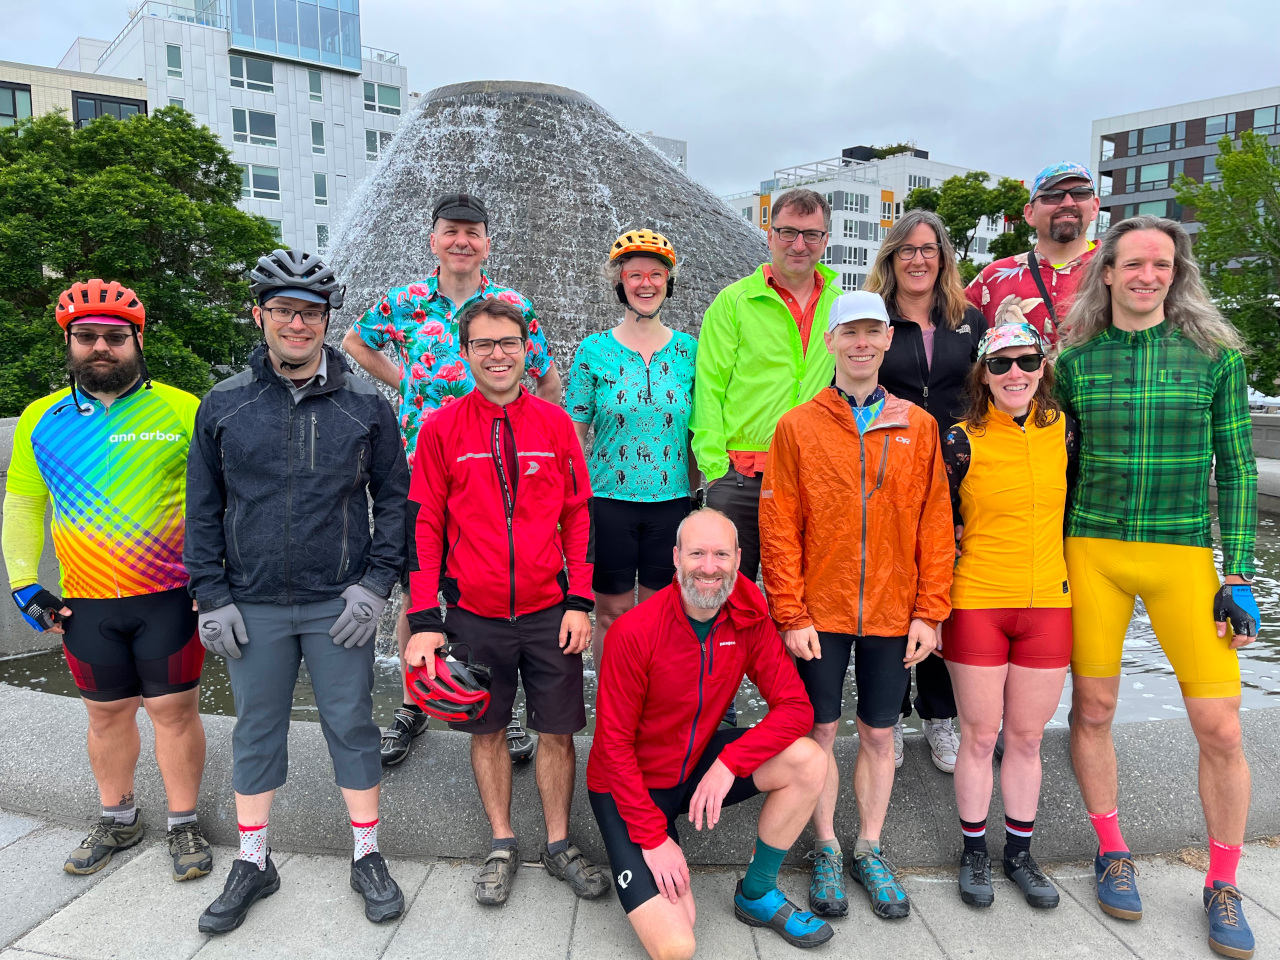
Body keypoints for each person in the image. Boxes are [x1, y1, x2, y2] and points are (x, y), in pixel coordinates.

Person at [187, 250, 410, 933]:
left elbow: (395, 501)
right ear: (260, 314)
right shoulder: (224, 403)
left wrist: (377, 587)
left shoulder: (366, 404)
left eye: (310, 313)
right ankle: (254, 860)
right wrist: (211, 594)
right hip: (251, 602)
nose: (297, 323)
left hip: (337, 602)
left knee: (352, 724)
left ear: (324, 322)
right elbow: (202, 507)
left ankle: (366, 854)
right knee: (257, 729)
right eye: (284, 310)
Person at [1057, 216, 1259, 960]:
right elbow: (1054, 465)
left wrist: (1236, 570)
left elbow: (1236, 469)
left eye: (1163, 265)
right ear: (1106, 271)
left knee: (1223, 725)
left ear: (1177, 275)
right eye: (1134, 263)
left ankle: (1225, 881)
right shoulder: (1074, 361)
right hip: (1094, 548)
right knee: (1095, 707)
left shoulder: (1214, 357)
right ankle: (1113, 849)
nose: (1149, 275)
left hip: (1181, 554)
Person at [403, 297, 609, 907]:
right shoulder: (442, 428)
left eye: (509, 344)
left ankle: (558, 843)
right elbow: (423, 526)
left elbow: (580, 517)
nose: (498, 355)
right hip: (473, 612)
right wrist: (423, 620)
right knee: (487, 730)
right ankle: (500, 842)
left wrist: (579, 601)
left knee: (558, 732)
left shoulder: (554, 425)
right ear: (465, 354)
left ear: (527, 351)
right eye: (485, 345)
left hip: (550, 613)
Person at [2, 280, 211, 881]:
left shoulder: (183, 408)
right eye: (86, 336)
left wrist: (213, 579)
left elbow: (215, 503)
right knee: (107, 715)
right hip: (86, 601)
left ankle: (183, 822)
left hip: (170, 595)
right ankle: (118, 819)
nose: (101, 347)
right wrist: (23, 583)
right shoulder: (43, 418)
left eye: (115, 337)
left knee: (173, 709)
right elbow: (21, 505)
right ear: (68, 341)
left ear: (137, 339)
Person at [342, 192, 559, 768]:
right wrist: (404, 382)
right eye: (451, 231)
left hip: (496, 478)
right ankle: (417, 700)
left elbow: (546, 377)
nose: (462, 241)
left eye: (473, 232)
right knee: (417, 589)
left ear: (487, 241)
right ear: (433, 238)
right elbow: (354, 342)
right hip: (421, 469)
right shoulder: (406, 301)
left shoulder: (511, 305)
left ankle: (499, 706)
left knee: (491, 593)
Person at [759, 290, 953, 921]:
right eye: (850, 332)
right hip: (821, 608)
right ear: (831, 341)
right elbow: (779, 524)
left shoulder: (917, 426)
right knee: (816, 732)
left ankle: (869, 846)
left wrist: (930, 611)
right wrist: (789, 611)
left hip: (894, 613)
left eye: (873, 332)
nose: (862, 343)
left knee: (879, 730)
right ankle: (824, 846)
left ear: (887, 341)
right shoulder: (798, 426)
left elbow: (935, 526)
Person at [587, 508, 832, 958]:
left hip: (697, 762)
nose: (709, 567)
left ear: (738, 560)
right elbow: (612, 747)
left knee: (810, 758)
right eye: (697, 553)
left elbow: (797, 708)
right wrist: (653, 838)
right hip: (629, 786)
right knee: (678, 945)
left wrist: (728, 764)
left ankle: (756, 894)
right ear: (676, 556)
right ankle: (657, 847)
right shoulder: (634, 632)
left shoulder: (746, 618)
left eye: (721, 554)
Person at [940, 314, 1077, 911]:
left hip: (1049, 598)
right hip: (977, 600)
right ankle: (973, 851)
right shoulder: (961, 437)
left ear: (1042, 368)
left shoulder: (1066, 431)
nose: (1014, 372)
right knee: (980, 734)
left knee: (1025, 738)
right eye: (1000, 363)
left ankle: (1019, 853)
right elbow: (934, 518)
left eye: (1025, 361)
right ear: (985, 373)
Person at [867, 208, 988, 774]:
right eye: (906, 250)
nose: (918, 259)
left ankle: (941, 716)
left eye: (928, 249)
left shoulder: (972, 323)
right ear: (891, 258)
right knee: (891, 597)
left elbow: (991, 398)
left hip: (960, 478)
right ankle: (885, 715)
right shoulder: (874, 318)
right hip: (889, 478)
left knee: (946, 595)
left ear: (943, 257)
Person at [692, 188, 841, 585]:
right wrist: (715, 469)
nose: (798, 244)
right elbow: (709, 386)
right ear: (769, 233)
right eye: (788, 232)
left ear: (826, 240)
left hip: (808, 476)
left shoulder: (840, 306)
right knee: (726, 595)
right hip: (739, 477)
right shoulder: (734, 302)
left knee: (800, 598)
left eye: (811, 234)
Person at [566, 230, 698, 665]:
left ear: (668, 281)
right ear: (619, 282)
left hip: (672, 502)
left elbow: (702, 430)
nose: (646, 283)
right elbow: (574, 432)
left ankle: (654, 711)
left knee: (663, 614)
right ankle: (613, 712)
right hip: (608, 502)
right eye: (634, 275)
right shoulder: (593, 352)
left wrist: (703, 498)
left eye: (655, 275)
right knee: (613, 613)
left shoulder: (690, 353)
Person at [966, 161, 1101, 344]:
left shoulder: (1118, 272)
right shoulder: (992, 279)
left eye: (1080, 193)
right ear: (1029, 213)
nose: (1068, 202)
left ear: (1094, 207)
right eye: (1052, 196)